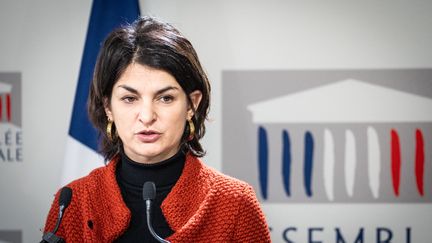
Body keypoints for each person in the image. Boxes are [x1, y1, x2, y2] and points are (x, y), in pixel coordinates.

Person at [42, 16, 271, 242]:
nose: (147, 116)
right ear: (108, 107)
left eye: (165, 98)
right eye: (130, 98)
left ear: (192, 104)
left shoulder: (236, 203)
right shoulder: (72, 203)